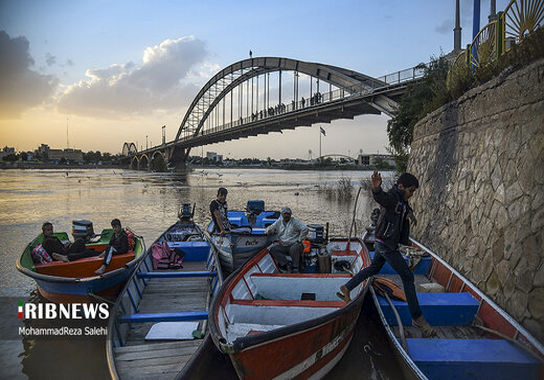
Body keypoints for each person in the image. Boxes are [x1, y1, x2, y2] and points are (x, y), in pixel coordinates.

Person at [337, 171, 437, 337]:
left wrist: (410, 213)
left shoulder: (402, 201)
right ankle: (417, 317)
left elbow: (405, 206)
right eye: (410, 191)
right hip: (386, 245)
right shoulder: (392, 197)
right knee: (407, 277)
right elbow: (383, 198)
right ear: (400, 187)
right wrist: (376, 189)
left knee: (374, 268)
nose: (411, 195)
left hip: (384, 243)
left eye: (413, 192)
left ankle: (347, 287)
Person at [265, 207, 309, 273]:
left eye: (288, 214)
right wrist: (269, 231)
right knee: (273, 249)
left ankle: (295, 267)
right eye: (285, 214)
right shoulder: (279, 222)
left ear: (290, 215)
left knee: (294, 248)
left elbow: (305, 229)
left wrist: (300, 240)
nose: (286, 215)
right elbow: (269, 228)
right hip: (283, 245)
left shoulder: (295, 222)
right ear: (282, 214)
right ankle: (286, 264)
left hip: (294, 244)